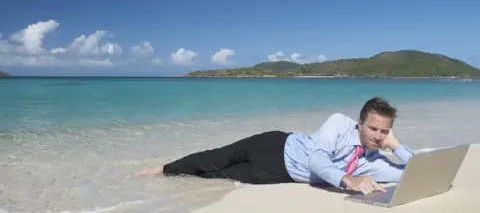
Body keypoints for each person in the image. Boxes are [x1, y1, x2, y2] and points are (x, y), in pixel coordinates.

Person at [138, 97, 415, 195]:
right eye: (374, 129)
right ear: (360, 123)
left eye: (384, 132)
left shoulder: (373, 162)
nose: (378, 136)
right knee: (216, 157)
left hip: (277, 173)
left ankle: (177, 180)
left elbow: (414, 171)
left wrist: (396, 145)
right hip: (275, 144)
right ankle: (163, 170)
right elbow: (317, 162)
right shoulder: (339, 123)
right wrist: (348, 180)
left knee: (218, 175)